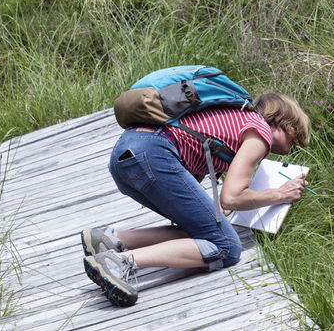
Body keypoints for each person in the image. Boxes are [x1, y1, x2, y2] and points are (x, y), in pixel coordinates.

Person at [81, 92, 311, 307]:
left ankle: (111, 239)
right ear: (280, 121)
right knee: (227, 247)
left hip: (125, 155)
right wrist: (281, 194)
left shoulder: (231, 123)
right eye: (295, 135)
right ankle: (120, 262)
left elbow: (219, 205)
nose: (294, 145)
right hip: (152, 153)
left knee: (204, 230)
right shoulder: (259, 131)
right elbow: (231, 197)